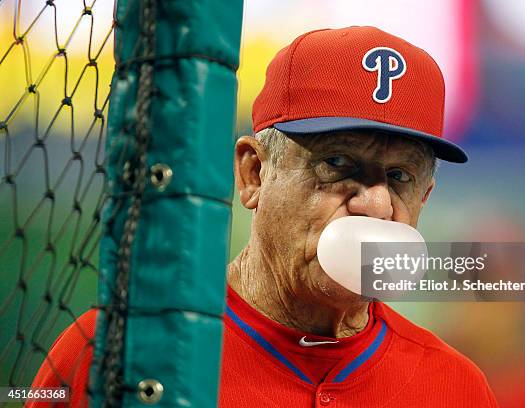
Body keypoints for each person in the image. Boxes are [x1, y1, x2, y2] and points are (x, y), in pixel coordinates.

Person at [30, 26, 497, 407]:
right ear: (253, 173)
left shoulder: (456, 387)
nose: (375, 205)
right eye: (336, 164)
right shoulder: (115, 350)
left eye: (399, 176)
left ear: (426, 197)